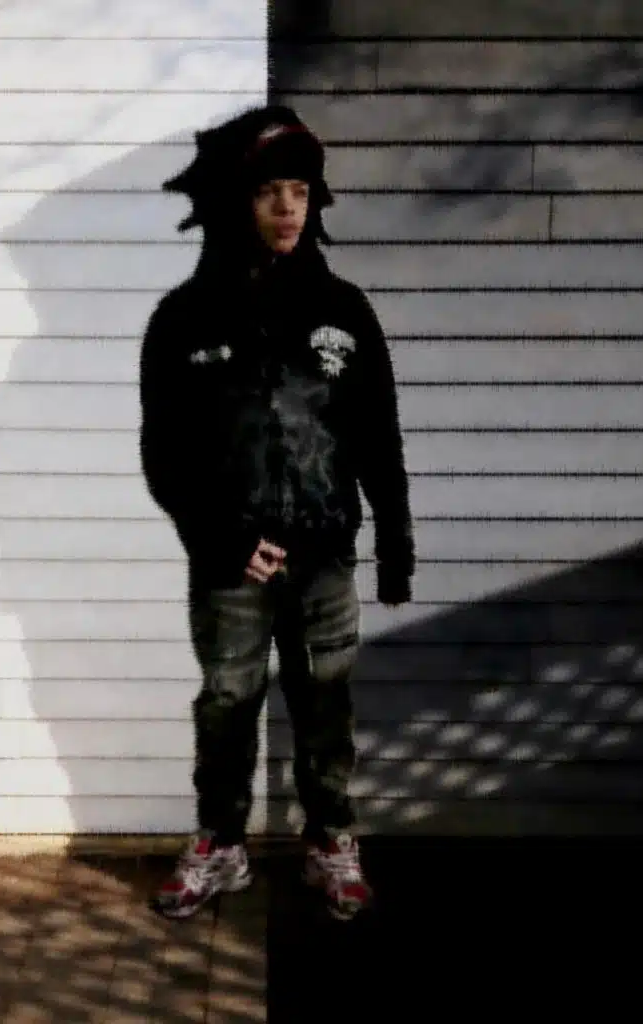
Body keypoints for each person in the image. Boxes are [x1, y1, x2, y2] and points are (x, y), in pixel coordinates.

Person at [139, 105, 414, 921]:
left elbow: (378, 434)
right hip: (231, 562)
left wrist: (394, 545)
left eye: (300, 191)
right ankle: (220, 845)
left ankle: (331, 840)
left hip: (325, 554)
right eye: (269, 193)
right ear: (239, 203)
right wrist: (224, 537)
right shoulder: (184, 318)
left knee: (326, 701)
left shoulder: (346, 312)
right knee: (227, 702)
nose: (288, 208)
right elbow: (166, 454)